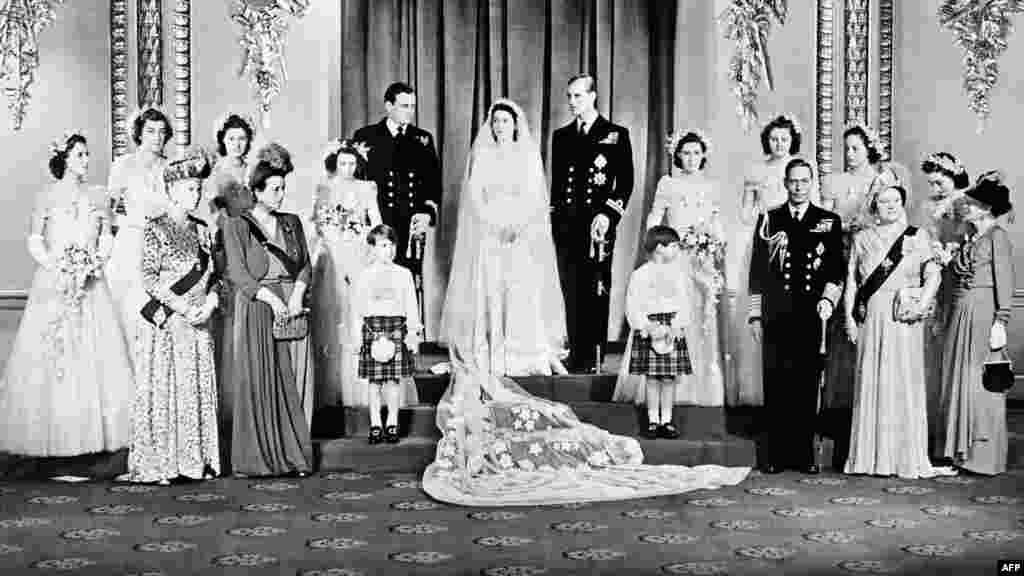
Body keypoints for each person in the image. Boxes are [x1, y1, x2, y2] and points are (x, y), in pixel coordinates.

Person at [0, 132, 134, 457]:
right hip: (55, 282)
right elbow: (35, 239)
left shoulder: (98, 196)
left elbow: (106, 238)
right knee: (54, 352)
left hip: (90, 281)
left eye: (87, 154)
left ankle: (96, 438)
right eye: (79, 155)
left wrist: (93, 263)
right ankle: (57, 435)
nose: (86, 160)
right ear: (64, 159)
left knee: (95, 352)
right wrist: (56, 265)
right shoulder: (46, 196)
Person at [440, 99, 568, 377]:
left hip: (520, 233)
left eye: (505, 121)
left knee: (519, 289)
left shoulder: (528, 155)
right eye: (496, 121)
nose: (500, 126)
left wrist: (517, 225)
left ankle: (521, 353)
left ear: (515, 124)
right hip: (490, 231)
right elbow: (475, 197)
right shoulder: (483, 155)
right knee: (492, 288)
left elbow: (535, 197)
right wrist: (494, 224)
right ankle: (491, 350)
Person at [841, 184, 956, 478]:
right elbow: (852, 282)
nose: (890, 205)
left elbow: (933, 275)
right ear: (874, 206)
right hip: (872, 318)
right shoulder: (862, 238)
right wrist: (849, 319)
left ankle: (903, 457)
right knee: (872, 379)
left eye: (895, 200)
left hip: (903, 319)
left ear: (903, 204)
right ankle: (869, 458)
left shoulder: (918, 237)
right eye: (883, 201)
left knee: (902, 379)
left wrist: (922, 304)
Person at [125, 148, 221, 484]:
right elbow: (149, 279)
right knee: (169, 391)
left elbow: (215, 276)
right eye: (187, 189)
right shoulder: (156, 229)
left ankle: (197, 462)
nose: (194, 194)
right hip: (169, 320)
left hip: (199, 322)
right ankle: (165, 463)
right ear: (171, 191)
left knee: (195, 390)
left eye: (197, 188)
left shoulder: (203, 229)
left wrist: (209, 304)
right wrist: (183, 309)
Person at [222, 142, 313, 477]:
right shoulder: (236, 226)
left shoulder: (292, 222)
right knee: (260, 382)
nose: (280, 195)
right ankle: (258, 460)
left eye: (283, 188)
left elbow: (304, 265)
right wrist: (274, 300)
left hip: (291, 305)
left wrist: (296, 296)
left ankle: (293, 456)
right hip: (258, 309)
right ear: (256, 191)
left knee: (290, 385)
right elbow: (239, 275)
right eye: (274, 189)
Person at [616, 129, 724, 408]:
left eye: (696, 154)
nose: (691, 159)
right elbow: (655, 217)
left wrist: (714, 242)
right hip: (673, 259)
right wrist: (659, 246)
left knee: (699, 316)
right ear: (677, 155)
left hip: (701, 259)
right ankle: (661, 383)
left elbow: (715, 221)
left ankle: (699, 388)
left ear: (703, 157)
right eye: (686, 153)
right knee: (669, 313)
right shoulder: (668, 183)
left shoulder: (711, 186)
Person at [748, 158, 843, 475]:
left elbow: (835, 269)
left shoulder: (828, 221)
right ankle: (774, 454)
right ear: (785, 183)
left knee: (806, 384)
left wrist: (829, 300)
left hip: (810, 315)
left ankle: (803, 454)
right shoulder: (769, 219)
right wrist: (755, 315)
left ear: (812, 183)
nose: (799, 187)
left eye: (804, 181)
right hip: (776, 314)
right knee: (776, 382)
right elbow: (757, 271)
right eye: (793, 181)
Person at [550, 74, 634, 373]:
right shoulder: (561, 136)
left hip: (597, 226)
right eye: (570, 96)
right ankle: (577, 354)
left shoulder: (614, 134)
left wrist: (608, 215)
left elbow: (624, 183)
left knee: (595, 288)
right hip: (567, 226)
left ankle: (596, 355)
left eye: (578, 96)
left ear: (593, 96)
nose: (572, 102)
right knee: (570, 289)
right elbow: (558, 187)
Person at [725, 114, 805, 407]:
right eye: (774, 139)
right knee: (760, 302)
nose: (779, 144)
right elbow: (746, 216)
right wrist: (750, 194)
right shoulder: (757, 171)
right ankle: (756, 386)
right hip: (764, 239)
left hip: (796, 241)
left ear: (792, 140)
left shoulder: (802, 170)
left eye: (784, 139)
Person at [938, 171, 1015, 475]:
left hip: (983, 314)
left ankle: (984, 457)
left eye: (972, 203)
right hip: (962, 312)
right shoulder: (971, 238)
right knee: (962, 380)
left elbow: (1005, 281)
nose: (966, 206)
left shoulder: (997, 237)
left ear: (986, 208)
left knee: (981, 384)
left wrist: (1001, 320)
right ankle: (961, 453)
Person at [352, 82, 441, 319]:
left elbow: (433, 183)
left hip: (410, 224)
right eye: (404, 106)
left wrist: (427, 213)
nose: (409, 112)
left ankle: (406, 342)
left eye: (412, 107)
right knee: (375, 282)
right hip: (377, 222)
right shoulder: (366, 137)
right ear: (388, 106)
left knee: (407, 281)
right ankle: (374, 342)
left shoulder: (422, 139)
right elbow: (355, 182)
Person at [311, 138, 388, 409]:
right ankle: (332, 384)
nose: (348, 168)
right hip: (333, 253)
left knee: (358, 314)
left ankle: (362, 383)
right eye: (343, 163)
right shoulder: (324, 189)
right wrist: (331, 245)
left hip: (358, 252)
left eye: (352, 163)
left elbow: (376, 220)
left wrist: (374, 244)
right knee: (333, 314)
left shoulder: (366, 188)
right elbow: (319, 224)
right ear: (335, 164)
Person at [106, 107, 173, 351]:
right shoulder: (123, 165)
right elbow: (110, 210)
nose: (157, 137)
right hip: (131, 243)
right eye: (151, 131)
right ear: (139, 134)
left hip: (164, 244)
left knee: (157, 309)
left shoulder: (171, 167)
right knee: (128, 308)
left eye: (162, 132)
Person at [350, 225, 422, 444]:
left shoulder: (404, 274)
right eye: (383, 245)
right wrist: (356, 338)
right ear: (372, 249)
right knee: (374, 382)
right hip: (372, 328)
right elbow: (358, 309)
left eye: (392, 245)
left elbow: (411, 305)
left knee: (392, 381)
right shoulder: (364, 276)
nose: (389, 250)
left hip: (396, 328)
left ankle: (392, 422)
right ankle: (375, 424)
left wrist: (412, 335)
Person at [917, 152, 970, 451]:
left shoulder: (965, 204)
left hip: (957, 278)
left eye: (940, 182)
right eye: (931, 183)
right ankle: (931, 432)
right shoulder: (927, 206)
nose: (935, 189)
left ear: (954, 177)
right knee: (931, 356)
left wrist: (949, 253)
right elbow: (924, 237)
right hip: (933, 274)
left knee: (952, 352)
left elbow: (969, 241)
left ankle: (952, 435)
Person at [620, 226, 693, 438]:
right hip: (649, 327)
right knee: (652, 378)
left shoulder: (678, 275)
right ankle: (653, 420)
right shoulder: (640, 275)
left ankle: (667, 420)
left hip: (671, 327)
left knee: (669, 378)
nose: (677, 250)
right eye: (674, 246)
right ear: (660, 248)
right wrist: (648, 327)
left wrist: (676, 325)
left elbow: (684, 303)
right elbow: (632, 305)